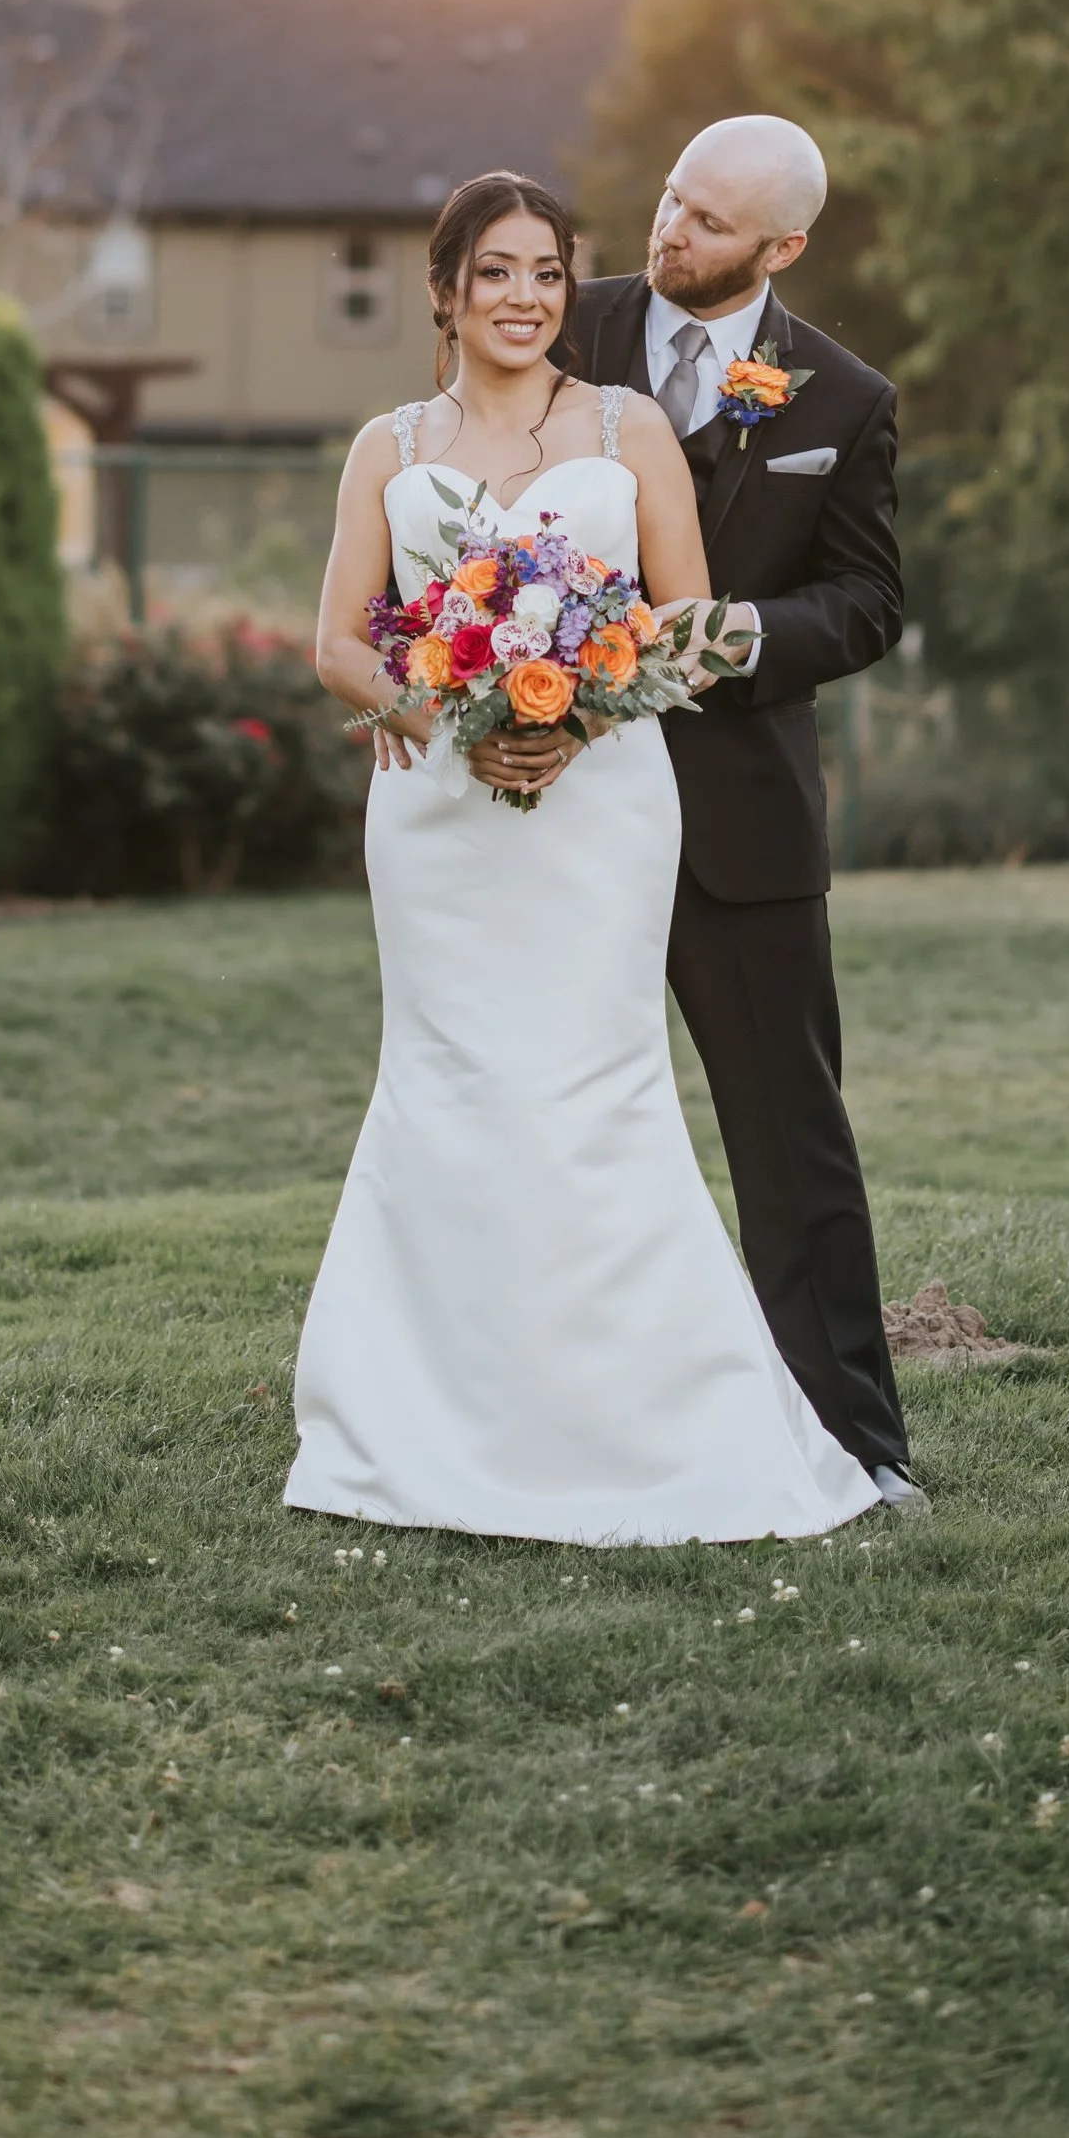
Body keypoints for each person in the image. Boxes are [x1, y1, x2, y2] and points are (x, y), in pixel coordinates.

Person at [289, 168, 880, 1542]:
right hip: (440, 819)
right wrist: (450, 717)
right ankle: (425, 1419)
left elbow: (685, 622)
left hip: (605, 811)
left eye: (546, 274)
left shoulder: (630, 430)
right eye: (494, 273)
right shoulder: (386, 445)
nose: (522, 299)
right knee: (450, 1087)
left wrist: (575, 708)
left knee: (595, 1092)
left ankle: (642, 1413)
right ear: (444, 291)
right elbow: (339, 639)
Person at [557, 118, 924, 1510]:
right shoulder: (560, 329)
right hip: (562, 808)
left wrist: (748, 632)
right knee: (559, 1118)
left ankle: (853, 1443)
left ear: (784, 248)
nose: (671, 235)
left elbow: (870, 601)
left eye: (710, 224)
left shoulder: (843, 397)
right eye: (668, 201)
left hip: (743, 827)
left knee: (791, 1139)